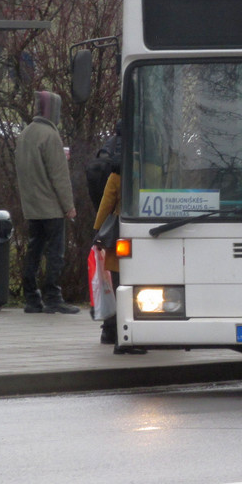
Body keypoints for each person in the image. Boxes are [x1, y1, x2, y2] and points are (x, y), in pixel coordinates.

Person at [15, 91, 79, 314]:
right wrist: (68, 206)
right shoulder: (50, 136)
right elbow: (59, 176)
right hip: (51, 206)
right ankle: (53, 297)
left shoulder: (25, 134)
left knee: (34, 250)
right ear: (53, 110)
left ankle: (32, 298)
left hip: (32, 206)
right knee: (55, 253)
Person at [93, 123, 145, 354]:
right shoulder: (150, 167)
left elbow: (106, 204)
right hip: (145, 238)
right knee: (137, 289)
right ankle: (126, 340)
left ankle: (112, 333)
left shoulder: (116, 171)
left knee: (119, 288)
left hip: (119, 240)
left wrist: (97, 233)